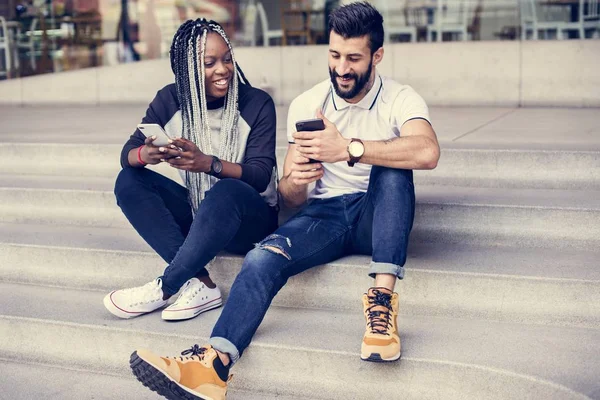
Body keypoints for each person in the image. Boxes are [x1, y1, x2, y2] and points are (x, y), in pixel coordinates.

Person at [127, 3, 440, 399]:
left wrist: (349, 148)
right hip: (323, 216)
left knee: (394, 167)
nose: (341, 68)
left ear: (377, 56)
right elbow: (290, 198)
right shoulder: (308, 104)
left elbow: (427, 152)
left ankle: (381, 308)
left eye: (354, 58)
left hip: (376, 212)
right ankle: (213, 365)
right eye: (334, 55)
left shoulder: (400, 98)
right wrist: (297, 179)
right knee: (261, 258)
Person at [103, 18, 278, 323]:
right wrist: (148, 153)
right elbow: (126, 156)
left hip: (250, 220)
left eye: (227, 59)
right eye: (209, 63)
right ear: (186, 69)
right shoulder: (169, 99)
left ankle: (166, 286)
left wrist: (208, 164)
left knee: (226, 190)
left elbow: (260, 175)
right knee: (129, 180)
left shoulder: (257, 103)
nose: (222, 70)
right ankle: (200, 281)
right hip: (201, 214)